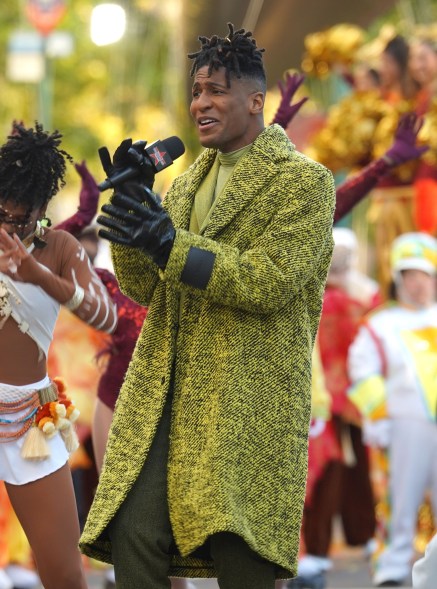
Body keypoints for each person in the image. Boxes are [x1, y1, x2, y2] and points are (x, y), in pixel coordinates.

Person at [79, 21, 336, 589]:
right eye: (196, 91)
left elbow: (271, 280)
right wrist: (135, 205)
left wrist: (171, 242)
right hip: (167, 387)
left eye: (216, 90)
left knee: (237, 549)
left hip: (247, 392)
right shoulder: (187, 182)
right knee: (133, 530)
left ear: (255, 101)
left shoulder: (305, 183)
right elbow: (150, 287)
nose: (201, 103)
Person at [0, 121, 118, 589]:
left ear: (43, 208)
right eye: (2, 213)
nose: (10, 223)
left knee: (65, 576)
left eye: (21, 217)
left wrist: (36, 275)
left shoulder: (61, 248)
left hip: (32, 421)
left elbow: (106, 316)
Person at [347, 232, 437, 587]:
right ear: (397, 279)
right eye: (409, 275)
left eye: (425, 275)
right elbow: (363, 371)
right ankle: (394, 562)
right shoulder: (380, 323)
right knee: (401, 495)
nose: (418, 284)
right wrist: (378, 416)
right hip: (404, 422)